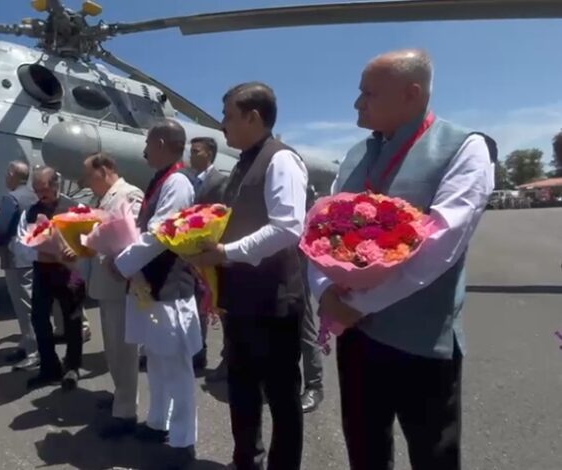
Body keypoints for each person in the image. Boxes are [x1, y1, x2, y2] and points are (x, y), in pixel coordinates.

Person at [308, 49, 496, 470]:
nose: (357, 103)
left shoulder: (465, 148)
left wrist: (356, 304)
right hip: (357, 339)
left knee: (434, 456)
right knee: (365, 452)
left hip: (421, 344)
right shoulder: (355, 154)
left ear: (411, 94)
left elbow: (441, 243)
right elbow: (319, 231)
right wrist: (324, 293)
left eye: (368, 94)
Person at [186, 82, 307, 470]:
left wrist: (225, 253)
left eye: (228, 116)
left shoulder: (281, 160)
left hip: (274, 302)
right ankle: (246, 462)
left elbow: (287, 227)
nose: (222, 125)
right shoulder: (242, 164)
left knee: (282, 398)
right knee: (242, 392)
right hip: (240, 300)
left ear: (253, 117)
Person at [114, 118, 201, 469]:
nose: (144, 150)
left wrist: (122, 261)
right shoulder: (161, 178)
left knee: (176, 365)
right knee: (157, 359)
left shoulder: (177, 181)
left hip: (169, 286)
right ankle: (158, 422)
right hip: (151, 286)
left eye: (148, 142)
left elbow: (160, 234)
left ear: (162, 143)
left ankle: (183, 442)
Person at [80, 153, 145, 438]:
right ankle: (120, 395)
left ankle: (126, 411)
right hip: (105, 282)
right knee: (112, 347)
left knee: (124, 349)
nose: (86, 182)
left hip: (120, 283)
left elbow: (135, 237)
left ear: (105, 170)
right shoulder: (104, 198)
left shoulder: (129, 194)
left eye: (89, 175)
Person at [20, 166, 85, 391]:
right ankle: (49, 366)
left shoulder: (74, 208)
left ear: (56, 185)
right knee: (39, 318)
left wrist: (74, 251)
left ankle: (72, 366)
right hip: (43, 271)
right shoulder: (32, 211)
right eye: (37, 190)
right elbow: (26, 242)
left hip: (70, 272)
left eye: (44, 189)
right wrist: (42, 250)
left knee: (73, 320)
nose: (40, 195)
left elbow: (87, 239)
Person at [0, 161, 40, 370]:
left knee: (24, 306)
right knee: (31, 302)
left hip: (16, 258)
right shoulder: (33, 196)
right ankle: (26, 343)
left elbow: (1, 230)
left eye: (6, 174)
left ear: (12, 174)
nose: (5, 178)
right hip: (34, 255)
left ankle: (34, 351)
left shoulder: (11, 198)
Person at [188, 136, 228, 375]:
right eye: (191, 151)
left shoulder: (220, 182)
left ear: (209, 154)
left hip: (213, 255)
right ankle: (197, 353)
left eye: (196, 151)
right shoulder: (189, 180)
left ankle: (228, 358)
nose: (191, 155)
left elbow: (224, 218)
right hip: (192, 254)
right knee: (197, 306)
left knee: (220, 307)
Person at [299, 184, 324, 413]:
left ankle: (315, 386)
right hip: (279, 280)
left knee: (306, 333)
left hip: (298, 279)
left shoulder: (308, 220)